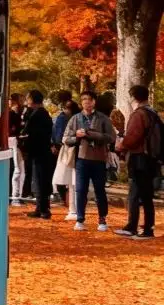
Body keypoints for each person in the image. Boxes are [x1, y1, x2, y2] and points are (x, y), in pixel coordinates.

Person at [63, 90, 117, 232]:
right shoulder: (75, 118)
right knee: (81, 190)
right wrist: (77, 136)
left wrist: (93, 135)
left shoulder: (103, 118)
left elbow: (111, 137)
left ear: (94, 101)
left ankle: (102, 219)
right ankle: (80, 219)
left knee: (100, 190)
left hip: (99, 159)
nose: (86, 102)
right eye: (84, 99)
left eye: (89, 99)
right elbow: (65, 139)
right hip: (82, 159)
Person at [116, 85, 161, 239]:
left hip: (139, 157)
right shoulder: (153, 113)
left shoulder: (139, 114)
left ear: (133, 97)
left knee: (143, 194)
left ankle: (147, 229)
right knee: (136, 192)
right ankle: (132, 226)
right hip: (151, 158)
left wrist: (122, 144)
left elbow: (133, 138)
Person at [19, 90, 54, 219]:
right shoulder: (39, 114)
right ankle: (40, 207)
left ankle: (44, 209)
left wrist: (26, 137)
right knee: (38, 180)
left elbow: (33, 132)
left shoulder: (40, 115)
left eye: (28, 99)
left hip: (40, 151)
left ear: (32, 100)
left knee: (41, 180)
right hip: (38, 152)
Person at [50, 90, 74, 203]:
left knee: (61, 172)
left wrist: (55, 144)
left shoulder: (61, 117)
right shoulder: (76, 114)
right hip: (73, 147)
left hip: (62, 147)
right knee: (71, 173)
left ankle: (62, 196)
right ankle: (69, 197)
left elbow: (58, 133)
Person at [8, 93, 26, 206]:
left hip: (16, 143)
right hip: (12, 142)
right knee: (17, 170)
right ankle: (15, 196)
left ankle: (17, 195)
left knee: (19, 170)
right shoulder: (10, 114)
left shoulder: (18, 113)